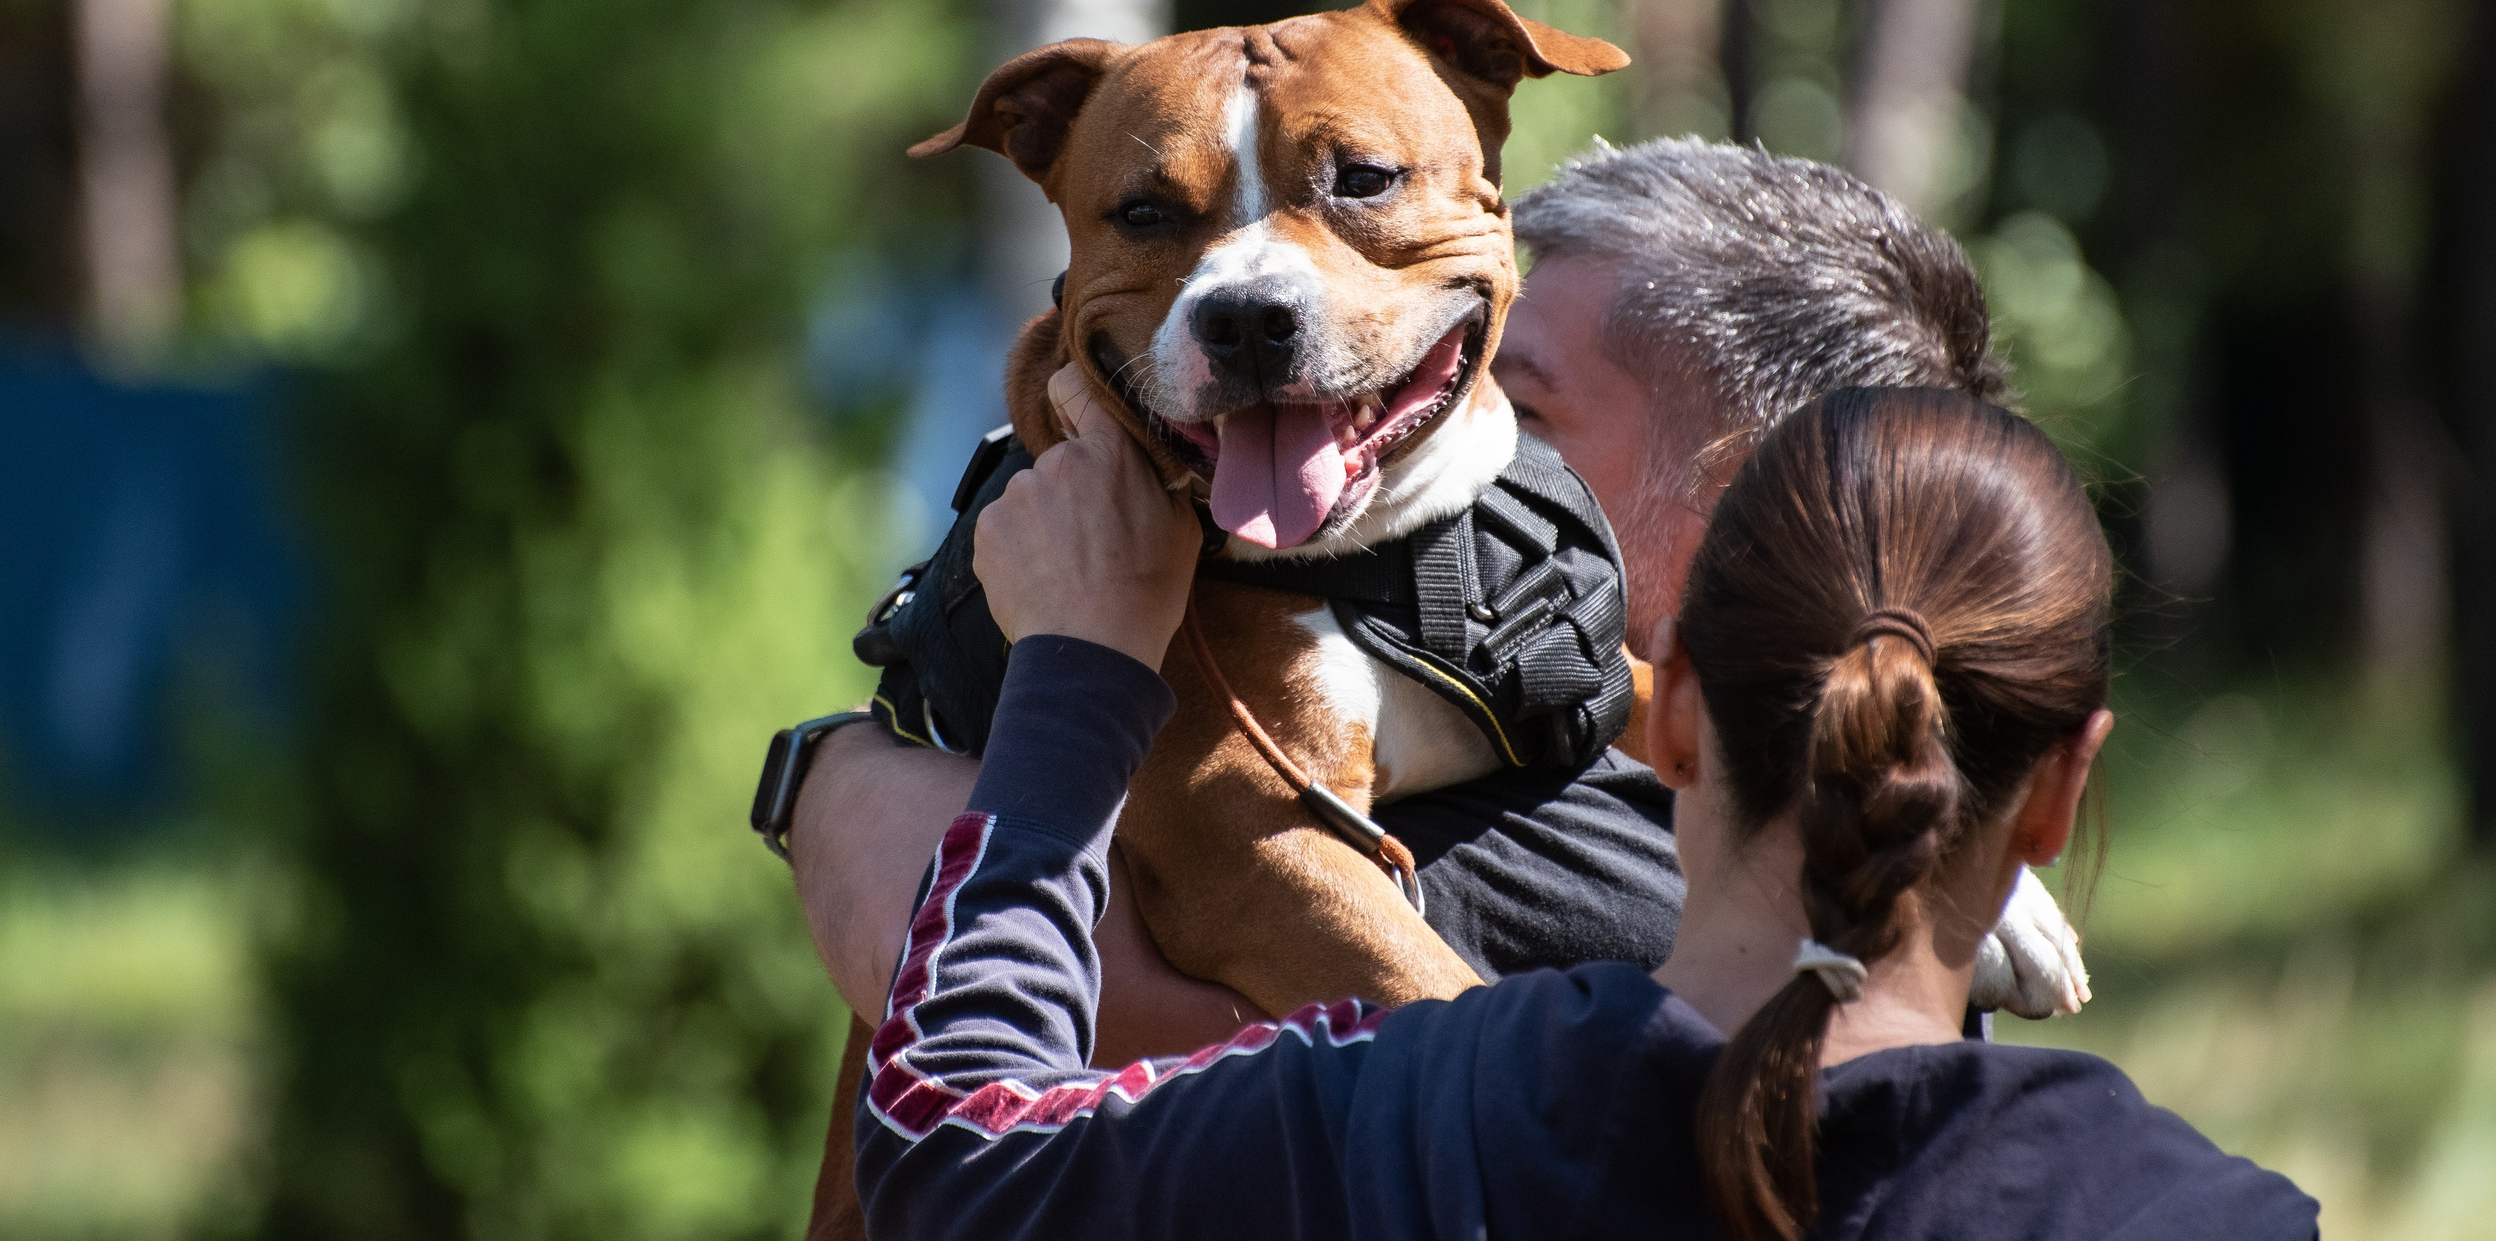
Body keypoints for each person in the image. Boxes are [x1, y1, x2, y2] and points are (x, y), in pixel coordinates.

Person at [851, 382, 2317, 1241]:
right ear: (2061, 791)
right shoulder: (2203, 1217)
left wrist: (1071, 684)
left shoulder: (1406, 1108)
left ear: (1666, 709)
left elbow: (952, 1167)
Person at [789, 142, 2048, 1057]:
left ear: (1749, 515)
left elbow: (978, 1016)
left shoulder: (1595, 849)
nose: (1426, 455)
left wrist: (836, 769)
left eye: (1526, 410)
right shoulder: (1854, 841)